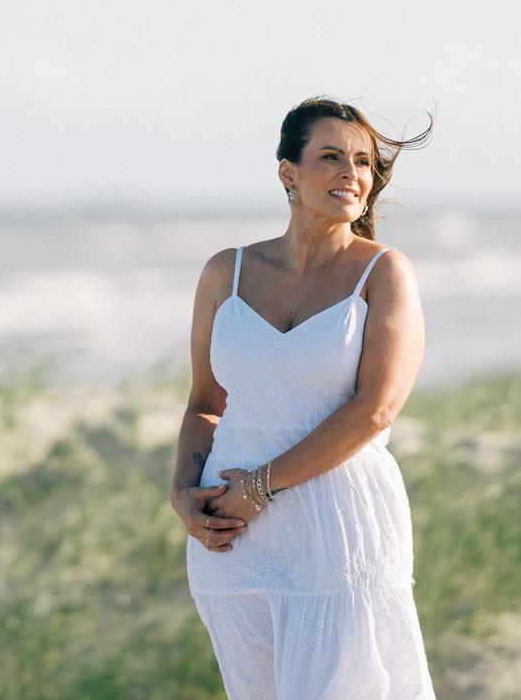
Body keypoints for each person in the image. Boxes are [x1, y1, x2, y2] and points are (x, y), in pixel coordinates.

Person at [169, 97, 436, 699]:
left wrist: (262, 485)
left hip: (337, 530)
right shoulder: (226, 273)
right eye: (332, 157)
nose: (352, 173)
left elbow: (375, 411)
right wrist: (183, 493)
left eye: (364, 162)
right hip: (234, 538)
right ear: (288, 172)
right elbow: (206, 402)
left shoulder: (384, 274)